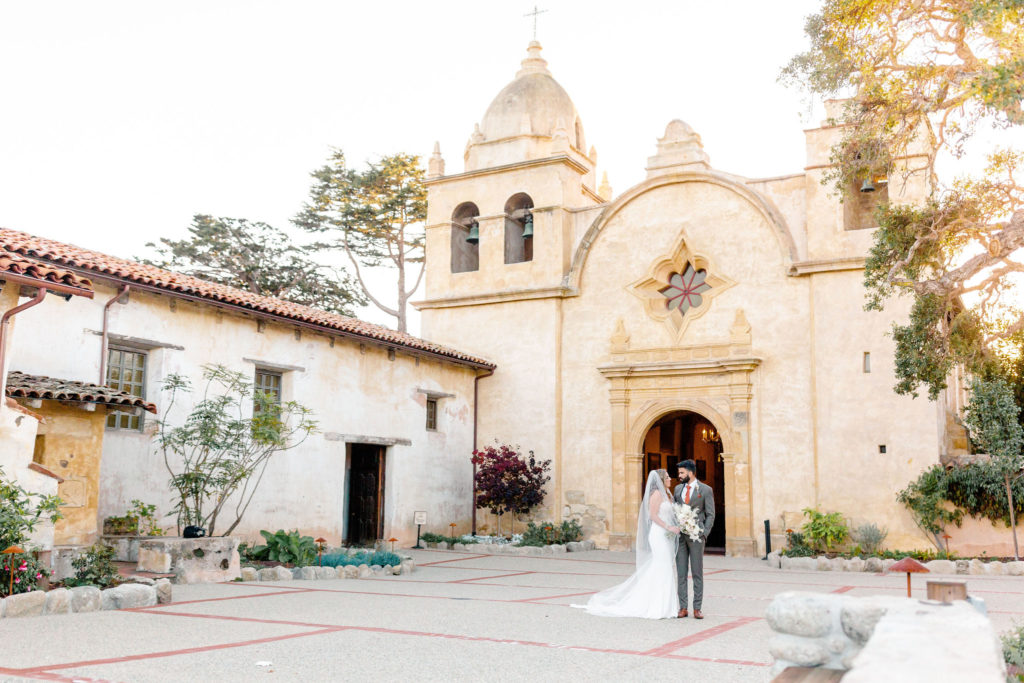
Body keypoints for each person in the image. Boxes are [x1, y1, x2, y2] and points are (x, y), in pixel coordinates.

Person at [573, 470, 680, 619]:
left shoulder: (667, 493)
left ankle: (664, 604)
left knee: (664, 566)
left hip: (666, 535)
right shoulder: (656, 494)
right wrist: (669, 527)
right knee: (662, 566)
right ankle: (657, 605)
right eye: (668, 476)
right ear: (662, 479)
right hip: (659, 534)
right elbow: (652, 515)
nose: (670, 478)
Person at [674, 459, 715, 619]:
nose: (679, 476)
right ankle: (683, 607)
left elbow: (711, 514)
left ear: (691, 473)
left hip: (697, 536)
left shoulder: (705, 490)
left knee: (697, 572)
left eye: (682, 473)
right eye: (679, 473)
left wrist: (704, 532)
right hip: (681, 537)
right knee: (681, 572)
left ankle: (697, 608)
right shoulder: (677, 489)